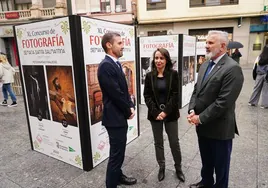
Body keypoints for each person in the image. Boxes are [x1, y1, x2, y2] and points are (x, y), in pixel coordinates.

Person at [187, 30, 244, 188]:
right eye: (206, 42)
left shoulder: (233, 68)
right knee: (206, 162)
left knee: (221, 168)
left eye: (210, 43)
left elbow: (223, 102)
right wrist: (192, 109)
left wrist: (200, 118)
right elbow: (196, 90)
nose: (206, 45)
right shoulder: (205, 64)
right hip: (203, 126)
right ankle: (206, 183)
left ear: (223, 46)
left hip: (219, 130)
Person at [97, 32, 137, 188]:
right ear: (109, 45)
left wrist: (131, 106)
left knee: (118, 152)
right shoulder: (106, 66)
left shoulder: (116, 63)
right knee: (116, 155)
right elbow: (116, 94)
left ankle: (118, 176)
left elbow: (124, 90)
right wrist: (128, 111)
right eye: (119, 43)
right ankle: (111, 184)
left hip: (119, 116)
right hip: (114, 118)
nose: (123, 46)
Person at [143, 48, 185, 182]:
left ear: (166, 60)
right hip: (155, 115)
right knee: (158, 142)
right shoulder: (150, 75)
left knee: (174, 142)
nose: (158, 61)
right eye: (156, 58)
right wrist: (156, 112)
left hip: (170, 114)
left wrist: (165, 111)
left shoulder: (173, 74)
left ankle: (178, 167)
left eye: (161, 58)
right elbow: (147, 96)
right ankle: (162, 166)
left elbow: (175, 95)